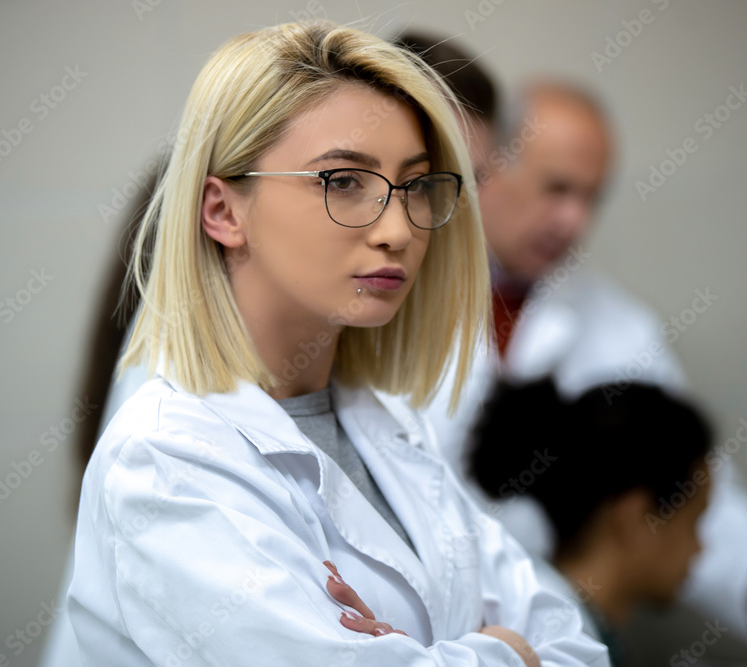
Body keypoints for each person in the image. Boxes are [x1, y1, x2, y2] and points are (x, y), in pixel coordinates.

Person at [66, 21, 608, 667]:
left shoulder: (387, 424)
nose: (397, 229)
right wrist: (508, 651)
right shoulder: (164, 458)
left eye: (416, 186)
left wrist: (433, 653)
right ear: (223, 210)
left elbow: (571, 636)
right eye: (344, 181)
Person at [417, 76, 747, 656]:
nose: (575, 222)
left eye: (592, 197)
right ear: (488, 168)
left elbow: (681, 481)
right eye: (557, 189)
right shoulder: (393, 292)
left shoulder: (617, 326)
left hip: (547, 633)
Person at [469, 379, 715, 666]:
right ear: (635, 519)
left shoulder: (576, 630)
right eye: (693, 522)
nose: (700, 548)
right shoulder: (550, 643)